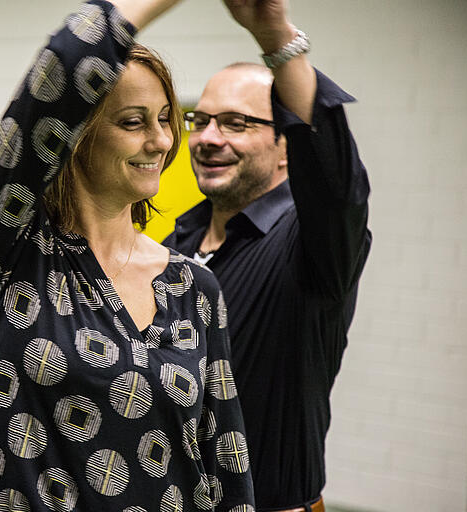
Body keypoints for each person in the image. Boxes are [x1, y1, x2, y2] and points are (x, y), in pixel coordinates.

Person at [0, 1, 254, 510]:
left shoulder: (193, 289)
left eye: (165, 119)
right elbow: (61, 71)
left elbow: (224, 460)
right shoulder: (10, 252)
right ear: (73, 134)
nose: (160, 140)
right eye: (133, 122)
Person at [163, 1, 372, 511]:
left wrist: (276, 38)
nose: (208, 139)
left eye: (236, 123)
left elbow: (335, 183)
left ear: (286, 148)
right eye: (201, 120)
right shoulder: (175, 246)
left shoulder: (309, 246)